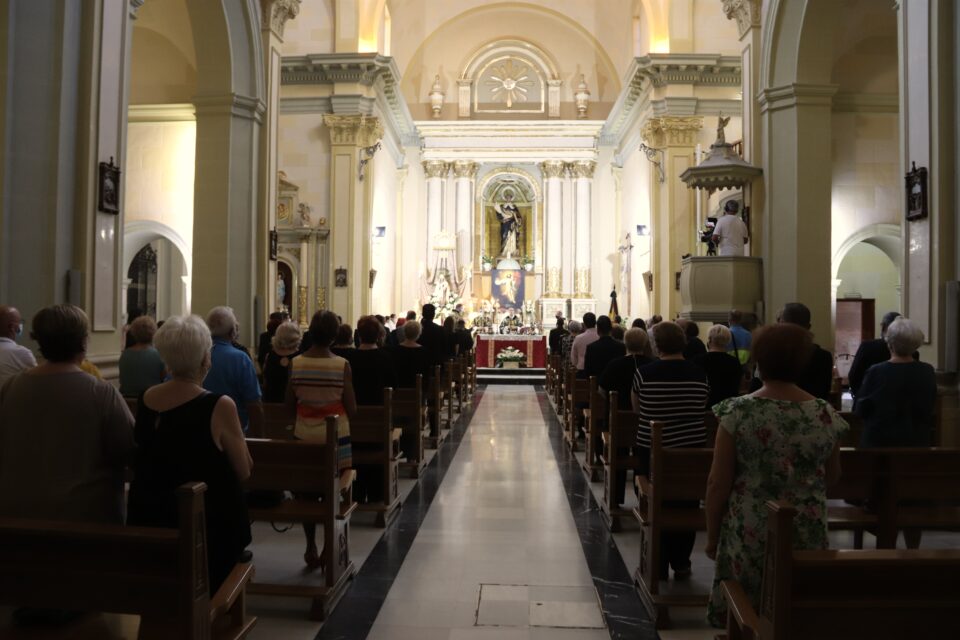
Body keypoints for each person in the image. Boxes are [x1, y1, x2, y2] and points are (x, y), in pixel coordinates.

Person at [705, 324, 846, 627]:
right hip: (805, 526)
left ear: (758, 360)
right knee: (799, 612)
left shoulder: (738, 412)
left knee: (746, 611)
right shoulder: (823, 413)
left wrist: (713, 534)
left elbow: (718, 483)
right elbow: (833, 476)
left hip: (749, 528)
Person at [126, 315, 252, 593]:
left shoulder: (147, 399)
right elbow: (243, 471)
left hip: (153, 515)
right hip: (208, 527)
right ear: (205, 358)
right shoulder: (219, 404)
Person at [0, 305, 134, 524]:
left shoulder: (12, 387)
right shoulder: (100, 392)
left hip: (16, 517)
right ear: (82, 341)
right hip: (83, 519)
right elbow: (129, 448)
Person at [632, 321, 709, 581]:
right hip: (691, 447)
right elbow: (702, 404)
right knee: (687, 502)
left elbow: (637, 409)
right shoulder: (699, 372)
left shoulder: (645, 372)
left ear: (655, 345)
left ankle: (658, 560)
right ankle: (681, 561)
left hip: (652, 448)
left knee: (655, 500)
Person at [286, 311, 356, 569]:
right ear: (334, 336)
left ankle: (310, 545)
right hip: (336, 439)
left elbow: (287, 406)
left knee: (306, 493)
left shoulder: (296, 363)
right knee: (332, 492)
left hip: (304, 436)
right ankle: (328, 545)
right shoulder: (342, 365)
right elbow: (352, 407)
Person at [854, 318, 936, 448]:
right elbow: (930, 405)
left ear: (889, 343)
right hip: (916, 442)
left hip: (879, 444)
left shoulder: (876, 371)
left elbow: (860, 409)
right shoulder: (927, 371)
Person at [203, 307, 263, 435]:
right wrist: (258, 439)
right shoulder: (240, 359)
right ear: (232, 331)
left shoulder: (196, 355)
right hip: (233, 433)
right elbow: (253, 403)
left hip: (199, 431)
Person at [847, 311, 916, 396]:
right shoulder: (913, 352)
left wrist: (859, 397)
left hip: (870, 400)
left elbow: (853, 376)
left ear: (883, 327)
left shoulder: (868, 347)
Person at [778, 302, 834, 401]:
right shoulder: (824, 357)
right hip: (811, 412)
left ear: (781, 324)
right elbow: (823, 394)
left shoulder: (770, 353)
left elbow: (756, 390)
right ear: (808, 327)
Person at [694, 325, 743, 407]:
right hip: (728, 407)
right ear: (728, 341)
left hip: (705, 406)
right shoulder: (734, 362)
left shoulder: (698, 361)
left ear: (709, 339)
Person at [118, 315, 166, 397]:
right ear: (153, 333)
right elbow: (164, 378)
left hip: (127, 401)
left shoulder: (125, 355)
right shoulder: (158, 355)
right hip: (151, 400)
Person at [261, 321, 302, 403]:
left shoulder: (269, 356)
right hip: (293, 405)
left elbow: (265, 381)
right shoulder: (300, 358)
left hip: (271, 403)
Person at [0, 305, 36, 386]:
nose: (20, 326)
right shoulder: (22, 353)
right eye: (20, 322)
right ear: (12, 327)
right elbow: (36, 383)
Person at [582, 315, 625, 379]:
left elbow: (587, 372)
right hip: (615, 385)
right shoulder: (621, 346)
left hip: (596, 384)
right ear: (611, 330)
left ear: (598, 330)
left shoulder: (591, 348)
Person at [391, 320, 431, 388]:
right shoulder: (423, 351)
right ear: (418, 333)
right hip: (417, 389)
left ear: (405, 332)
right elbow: (426, 374)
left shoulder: (395, 350)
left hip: (399, 389)